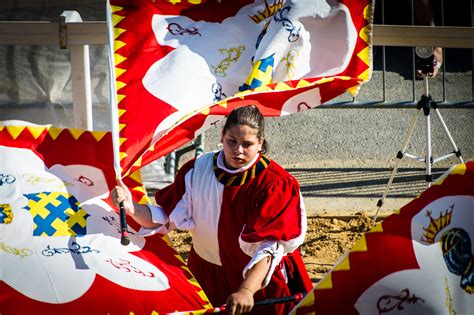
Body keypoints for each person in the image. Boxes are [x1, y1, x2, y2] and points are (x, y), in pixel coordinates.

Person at [112, 105, 313, 315]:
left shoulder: (276, 184)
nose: (238, 151)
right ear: (222, 136)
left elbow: (269, 247)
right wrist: (131, 207)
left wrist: (246, 290)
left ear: (260, 143)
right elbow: (166, 216)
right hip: (206, 272)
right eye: (232, 142)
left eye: (247, 144)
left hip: (257, 279)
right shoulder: (197, 169)